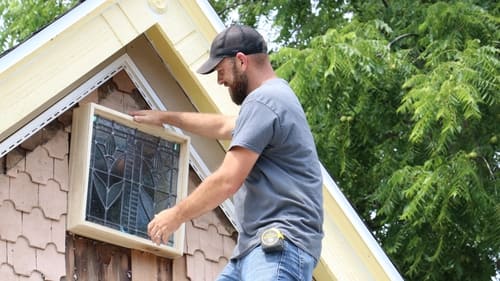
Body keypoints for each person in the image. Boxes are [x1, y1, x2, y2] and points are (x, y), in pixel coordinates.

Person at [131, 24, 323, 281]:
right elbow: (223, 125)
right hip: (254, 250)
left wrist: (174, 216)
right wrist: (166, 117)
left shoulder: (264, 101)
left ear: (241, 61)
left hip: (278, 246)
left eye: (221, 71)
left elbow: (227, 180)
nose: (220, 80)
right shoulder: (274, 100)